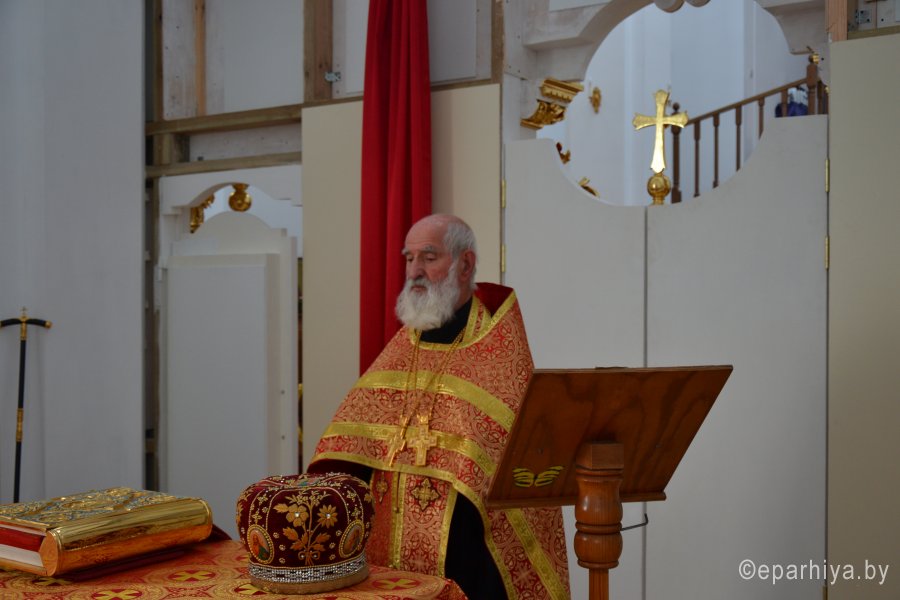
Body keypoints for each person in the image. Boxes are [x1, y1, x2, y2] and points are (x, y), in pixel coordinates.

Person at [310, 214, 570, 600]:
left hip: (469, 556)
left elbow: (514, 467)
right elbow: (350, 446)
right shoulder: (403, 350)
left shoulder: (497, 354)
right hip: (388, 553)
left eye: (429, 257)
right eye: (409, 258)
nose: (415, 270)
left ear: (465, 264)